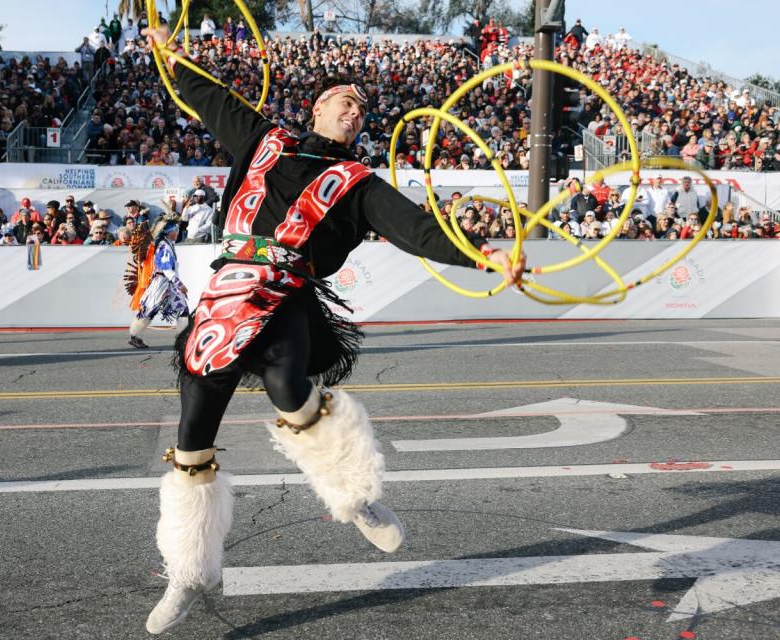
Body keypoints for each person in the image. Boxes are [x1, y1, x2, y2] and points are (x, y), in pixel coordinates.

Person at [140, 25, 527, 635]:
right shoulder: (264, 139)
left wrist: (486, 256)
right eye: (345, 101)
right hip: (224, 293)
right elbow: (206, 96)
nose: (354, 112)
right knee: (191, 434)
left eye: (361, 110)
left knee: (284, 375)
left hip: (289, 292)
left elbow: (418, 228)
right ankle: (187, 573)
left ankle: (355, 495)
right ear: (318, 106)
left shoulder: (359, 184)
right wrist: (170, 50)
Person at [125, 216, 190, 349]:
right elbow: (166, 269)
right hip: (161, 283)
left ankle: (183, 339)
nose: (177, 233)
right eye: (176, 231)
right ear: (169, 232)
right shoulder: (164, 247)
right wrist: (180, 284)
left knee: (183, 309)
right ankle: (134, 335)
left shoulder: (168, 244)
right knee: (150, 310)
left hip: (169, 284)